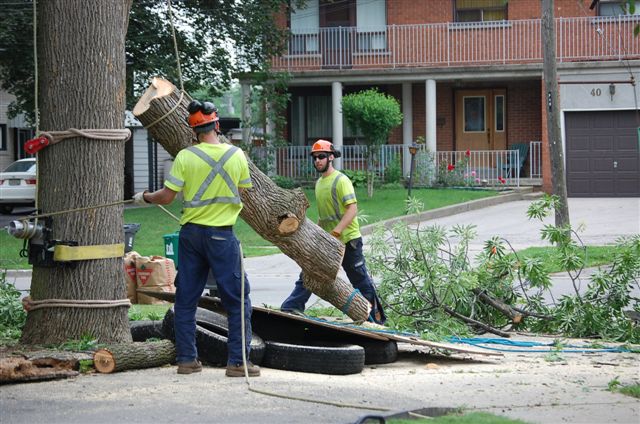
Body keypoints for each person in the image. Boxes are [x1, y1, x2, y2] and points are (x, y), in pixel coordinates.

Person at [133, 100, 258, 377]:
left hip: (191, 235)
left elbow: (166, 197)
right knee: (237, 299)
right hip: (222, 236)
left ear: (193, 132)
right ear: (216, 125)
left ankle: (187, 360)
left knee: (186, 299)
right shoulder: (237, 155)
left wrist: (145, 197)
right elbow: (244, 192)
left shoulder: (185, 157)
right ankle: (238, 363)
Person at [280, 139, 386, 325]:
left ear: (331, 157)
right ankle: (292, 306)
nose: (317, 161)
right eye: (314, 157)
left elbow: (352, 210)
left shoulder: (341, 180)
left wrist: (335, 233)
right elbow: (324, 216)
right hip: (330, 241)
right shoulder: (320, 183)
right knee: (311, 271)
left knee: (360, 281)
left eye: (321, 157)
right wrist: (318, 236)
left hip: (348, 240)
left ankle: (375, 320)